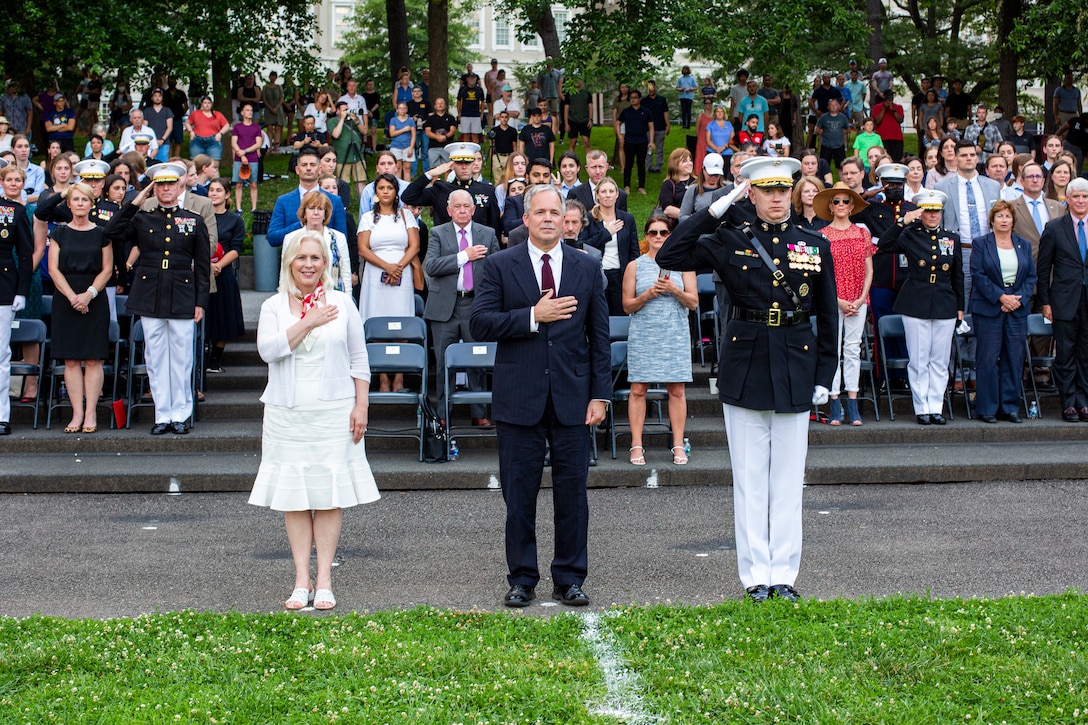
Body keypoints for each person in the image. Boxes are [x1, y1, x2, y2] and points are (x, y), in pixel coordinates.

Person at [656, 156, 838, 602]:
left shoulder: (814, 244)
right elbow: (670, 253)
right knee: (750, 480)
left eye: (782, 190)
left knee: (788, 481)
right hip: (746, 364)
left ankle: (785, 576)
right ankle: (756, 576)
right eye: (766, 191)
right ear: (751, 194)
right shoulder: (729, 240)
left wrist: (825, 373)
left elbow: (829, 315)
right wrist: (717, 208)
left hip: (797, 364)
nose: (776, 198)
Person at [469, 184, 610, 608]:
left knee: (573, 496)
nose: (548, 219)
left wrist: (600, 395)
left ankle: (569, 577)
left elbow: (598, 337)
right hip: (518, 400)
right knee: (519, 498)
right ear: (525, 219)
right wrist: (533, 315)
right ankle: (522, 579)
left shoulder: (587, 268)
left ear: (567, 220)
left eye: (556, 212)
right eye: (540, 212)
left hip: (573, 398)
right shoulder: (498, 265)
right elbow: (480, 324)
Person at [250, 232, 378, 611]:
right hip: (287, 413)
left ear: (326, 263)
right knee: (294, 496)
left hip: (333, 411)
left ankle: (324, 579)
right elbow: (268, 351)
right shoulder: (274, 306)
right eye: (301, 257)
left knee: (327, 494)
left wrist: (362, 405)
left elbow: (359, 358)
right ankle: (300, 579)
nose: (308, 264)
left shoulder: (342, 302)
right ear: (289, 262)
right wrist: (307, 321)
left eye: (316, 258)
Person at [105, 162, 210, 434]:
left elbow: (202, 265)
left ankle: (181, 415)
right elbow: (111, 231)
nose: (165, 189)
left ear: (180, 186)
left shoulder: (193, 219)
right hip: (150, 295)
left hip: (183, 296)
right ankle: (162, 416)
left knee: (182, 359)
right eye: (160, 184)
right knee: (155, 358)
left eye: (170, 184)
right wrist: (135, 201)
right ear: (154, 188)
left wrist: (201, 301)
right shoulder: (143, 218)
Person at [878, 190, 964, 424]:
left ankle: (936, 406)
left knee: (939, 359)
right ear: (920, 213)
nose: (933, 215)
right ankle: (921, 408)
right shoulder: (910, 234)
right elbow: (885, 244)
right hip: (916, 300)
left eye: (936, 211)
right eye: (928, 211)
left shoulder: (951, 238)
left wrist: (960, 306)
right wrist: (902, 221)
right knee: (918, 358)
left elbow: (958, 274)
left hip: (945, 301)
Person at [622, 215, 698, 465]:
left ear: (671, 236)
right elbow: (627, 306)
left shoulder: (684, 264)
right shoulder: (635, 265)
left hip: (674, 332)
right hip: (644, 332)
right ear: (646, 236)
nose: (658, 237)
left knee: (676, 390)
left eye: (663, 232)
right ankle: (636, 445)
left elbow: (694, 302)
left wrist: (673, 290)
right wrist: (648, 294)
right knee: (638, 389)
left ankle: (678, 444)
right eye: (653, 232)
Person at [423, 188, 499, 425]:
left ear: (474, 209)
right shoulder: (437, 233)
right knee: (446, 360)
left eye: (467, 206)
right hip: (445, 306)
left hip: (476, 304)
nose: (463, 210)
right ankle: (444, 413)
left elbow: (497, 269)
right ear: (449, 210)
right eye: (457, 206)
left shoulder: (487, 233)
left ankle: (479, 413)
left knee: (477, 359)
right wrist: (464, 256)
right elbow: (432, 266)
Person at [47, 182, 113, 434]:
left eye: (84, 200)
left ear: (91, 203)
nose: (80, 204)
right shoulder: (59, 233)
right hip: (65, 297)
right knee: (71, 360)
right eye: (75, 200)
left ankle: (91, 412)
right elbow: (53, 269)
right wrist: (74, 297)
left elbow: (107, 269)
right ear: (69, 203)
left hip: (94, 297)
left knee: (93, 359)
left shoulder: (102, 233)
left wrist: (88, 295)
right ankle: (76, 413)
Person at [813, 183, 874, 426]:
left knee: (852, 350)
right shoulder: (822, 235)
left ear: (851, 206)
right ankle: (834, 401)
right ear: (829, 206)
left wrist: (860, 298)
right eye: (836, 201)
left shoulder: (862, 233)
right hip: (832, 300)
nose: (840, 205)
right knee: (833, 350)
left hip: (859, 299)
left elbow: (870, 270)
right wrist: (837, 300)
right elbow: (820, 273)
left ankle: (853, 401)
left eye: (845, 201)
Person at [969, 200, 1036, 423]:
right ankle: (987, 408)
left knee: (1014, 358)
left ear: (1013, 220)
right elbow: (978, 274)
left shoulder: (1023, 244)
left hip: (1017, 307)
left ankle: (1009, 407)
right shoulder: (981, 244)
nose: (1004, 220)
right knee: (988, 358)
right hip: (990, 307)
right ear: (992, 220)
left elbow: (1030, 277)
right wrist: (1001, 296)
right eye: (1000, 216)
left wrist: (1019, 299)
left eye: (1008, 216)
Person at [357, 175, 419, 390]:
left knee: (401, 324)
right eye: (381, 187)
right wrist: (387, 267)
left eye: (389, 187)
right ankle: (382, 377)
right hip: (376, 275)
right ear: (376, 192)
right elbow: (363, 248)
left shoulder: (406, 215)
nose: (385, 191)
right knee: (378, 321)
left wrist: (399, 267)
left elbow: (414, 246)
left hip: (402, 274)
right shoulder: (367, 218)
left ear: (396, 191)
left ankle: (399, 377)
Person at [1037, 178, 1088, 422]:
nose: (1081, 201)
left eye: (1085, 197)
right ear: (1067, 199)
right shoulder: (1055, 227)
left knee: (1086, 354)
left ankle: (1084, 402)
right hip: (1064, 301)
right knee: (1065, 354)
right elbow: (1044, 268)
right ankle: (1069, 403)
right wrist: (1045, 302)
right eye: (1076, 196)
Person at [0, 161, 34, 435]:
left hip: (4, 286)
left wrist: (21, 290)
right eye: (7, 179)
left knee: (1, 355)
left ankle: (1, 415)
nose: (12, 184)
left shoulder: (16, 211)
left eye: (16, 180)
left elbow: (25, 253)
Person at [402, 142, 501, 233]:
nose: (464, 167)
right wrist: (431, 174)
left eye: (467, 162)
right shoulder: (440, 189)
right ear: (452, 165)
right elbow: (408, 197)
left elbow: (494, 224)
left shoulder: (487, 190)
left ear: (472, 164)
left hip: (479, 246)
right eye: (459, 163)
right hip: (448, 247)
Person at [204, 178, 245, 374]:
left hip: (223, 272)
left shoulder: (234, 220)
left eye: (218, 190)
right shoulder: (200, 217)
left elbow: (236, 248)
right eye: (211, 190)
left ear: (227, 194)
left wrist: (219, 265)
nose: (214, 193)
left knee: (223, 314)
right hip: (201, 273)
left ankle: (216, 358)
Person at [268, 146, 348, 247]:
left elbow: (342, 238)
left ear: (319, 169)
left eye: (313, 165)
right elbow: (273, 238)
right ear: (297, 170)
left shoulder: (334, 201)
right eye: (304, 165)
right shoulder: (283, 201)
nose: (309, 168)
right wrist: (302, 224)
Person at [585, 177, 639, 316]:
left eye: (611, 191)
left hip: (620, 276)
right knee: (599, 316)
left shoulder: (627, 219)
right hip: (598, 274)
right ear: (597, 195)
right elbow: (584, 246)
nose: (607, 195)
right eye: (603, 191)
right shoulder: (589, 219)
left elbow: (634, 251)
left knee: (619, 315)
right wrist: (606, 233)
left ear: (617, 194)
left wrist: (633, 275)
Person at [283, 190, 352, 295]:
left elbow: (345, 273)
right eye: (311, 208)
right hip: (299, 296)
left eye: (320, 209)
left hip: (332, 296)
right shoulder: (291, 238)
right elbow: (284, 274)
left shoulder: (338, 238)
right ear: (304, 212)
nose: (316, 212)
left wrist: (348, 300)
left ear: (325, 214)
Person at [616, 89, 653, 194]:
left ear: (639, 99)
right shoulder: (626, 111)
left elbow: (651, 126)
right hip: (629, 141)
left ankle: (641, 187)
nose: (632, 100)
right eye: (631, 98)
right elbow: (618, 122)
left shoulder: (646, 111)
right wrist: (619, 136)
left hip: (642, 141)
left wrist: (651, 141)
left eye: (635, 97)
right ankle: (626, 186)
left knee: (641, 164)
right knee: (628, 164)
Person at [329, 99, 368, 198]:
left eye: (347, 109)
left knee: (361, 181)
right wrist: (342, 119)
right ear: (338, 111)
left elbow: (364, 132)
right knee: (342, 183)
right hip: (342, 157)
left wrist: (357, 121)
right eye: (344, 110)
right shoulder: (333, 121)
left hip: (357, 155)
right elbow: (335, 134)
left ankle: (363, 203)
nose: (347, 111)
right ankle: (343, 204)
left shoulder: (352, 121)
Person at [570, 150, 629, 214]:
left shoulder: (621, 195)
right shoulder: (575, 194)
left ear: (606, 167)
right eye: (594, 167)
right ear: (587, 168)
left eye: (600, 167)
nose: (598, 172)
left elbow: (623, 220)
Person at [187, 96, 230, 160]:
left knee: (214, 165)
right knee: (196, 164)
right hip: (197, 141)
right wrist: (191, 131)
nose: (207, 105)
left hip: (213, 141)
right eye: (205, 103)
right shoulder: (195, 114)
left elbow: (227, 125)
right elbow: (187, 123)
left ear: (211, 104)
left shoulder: (218, 114)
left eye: (209, 103)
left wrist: (220, 133)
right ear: (201, 104)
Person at [657, 148, 694, 220]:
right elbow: (668, 209)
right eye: (685, 161)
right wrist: (691, 218)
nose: (689, 163)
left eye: (690, 160)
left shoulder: (698, 182)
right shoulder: (668, 184)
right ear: (675, 164)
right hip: (676, 226)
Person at [387, 102, 416, 181]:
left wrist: (411, 148)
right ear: (397, 110)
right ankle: (398, 187)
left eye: (404, 108)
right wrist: (404, 129)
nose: (402, 110)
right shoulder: (393, 120)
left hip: (408, 146)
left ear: (406, 110)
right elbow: (392, 133)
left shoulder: (410, 121)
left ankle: (407, 188)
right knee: (398, 168)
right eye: (400, 108)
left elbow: (413, 135)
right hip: (396, 146)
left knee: (407, 168)